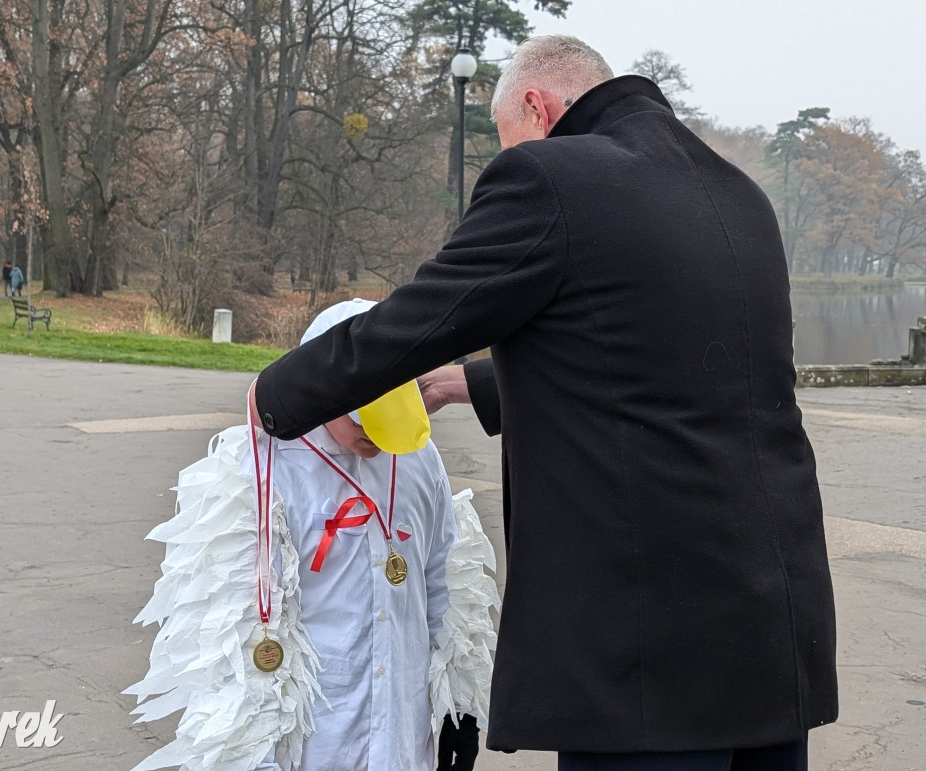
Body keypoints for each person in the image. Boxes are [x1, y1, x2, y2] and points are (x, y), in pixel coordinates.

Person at [250, 35, 838, 771]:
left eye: (506, 136)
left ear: (537, 104)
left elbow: (420, 318)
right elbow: (668, 361)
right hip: (772, 640)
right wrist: (469, 382)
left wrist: (277, 395)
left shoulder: (553, 176)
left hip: (649, 661)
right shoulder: (736, 192)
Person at [128, 299, 499, 771]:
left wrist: (458, 706)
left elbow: (442, 581)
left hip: (403, 737)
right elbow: (237, 634)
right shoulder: (261, 473)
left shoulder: (419, 461)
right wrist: (252, 756)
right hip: (316, 744)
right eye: (365, 422)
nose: (377, 440)